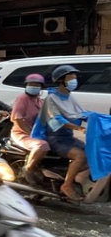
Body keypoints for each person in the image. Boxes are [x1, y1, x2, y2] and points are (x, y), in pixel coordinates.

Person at [33, 65, 89, 201]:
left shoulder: (69, 97)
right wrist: (79, 128)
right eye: (71, 78)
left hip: (67, 137)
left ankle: (64, 175)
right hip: (55, 138)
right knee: (80, 156)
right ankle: (67, 185)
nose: (74, 81)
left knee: (93, 155)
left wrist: (101, 121)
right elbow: (56, 119)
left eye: (75, 78)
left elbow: (82, 113)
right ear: (60, 80)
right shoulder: (51, 98)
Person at [10, 74, 50, 185]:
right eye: (31, 84)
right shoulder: (22, 99)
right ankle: (28, 169)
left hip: (37, 132)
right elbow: (17, 118)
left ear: (41, 87)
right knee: (42, 145)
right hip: (22, 133)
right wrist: (31, 134)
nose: (33, 86)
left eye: (36, 85)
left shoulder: (40, 101)